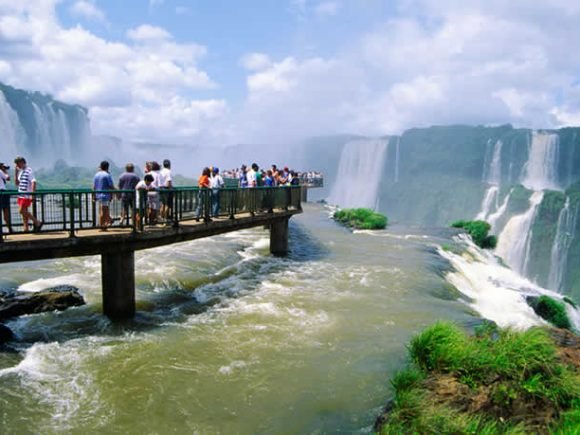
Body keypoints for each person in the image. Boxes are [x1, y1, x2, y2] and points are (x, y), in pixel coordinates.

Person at [14, 156, 42, 232]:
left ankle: (37, 222)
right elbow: (17, 183)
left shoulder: (29, 170)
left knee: (21, 211)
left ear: (22, 162)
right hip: (21, 195)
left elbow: (33, 182)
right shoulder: (21, 172)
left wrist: (32, 194)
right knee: (24, 212)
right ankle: (26, 228)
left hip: (26, 195)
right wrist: (16, 173)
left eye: (18, 163)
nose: (17, 165)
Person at [93, 160, 115, 231]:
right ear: (107, 167)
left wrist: (94, 195)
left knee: (102, 210)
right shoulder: (107, 175)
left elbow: (94, 186)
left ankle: (104, 224)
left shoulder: (96, 175)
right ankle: (102, 227)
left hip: (98, 195)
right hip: (105, 196)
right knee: (104, 211)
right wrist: (117, 192)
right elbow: (111, 186)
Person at [0, 162, 12, 233]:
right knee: (6, 211)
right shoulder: (1, 171)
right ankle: (10, 229)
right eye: (4, 167)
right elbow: (8, 178)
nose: (5, 169)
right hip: (2, 193)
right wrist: (5, 172)